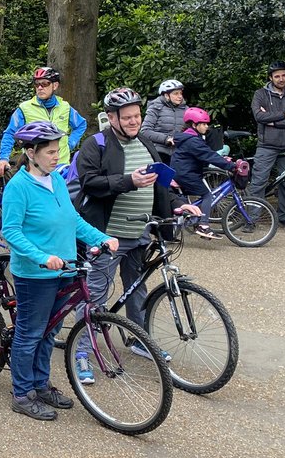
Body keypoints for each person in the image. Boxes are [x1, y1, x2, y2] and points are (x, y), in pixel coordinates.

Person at [73, 88, 201, 382]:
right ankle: (80, 352)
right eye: (128, 117)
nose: (134, 122)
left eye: (137, 116)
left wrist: (182, 205)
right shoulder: (97, 144)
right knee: (95, 296)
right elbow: (89, 182)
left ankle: (136, 339)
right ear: (112, 117)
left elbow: (162, 182)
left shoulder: (144, 141)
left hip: (140, 232)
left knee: (137, 289)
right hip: (108, 236)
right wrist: (129, 181)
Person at [0, 121, 115, 421]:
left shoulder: (58, 181)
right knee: (30, 332)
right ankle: (22, 393)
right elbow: (10, 232)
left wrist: (100, 237)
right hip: (35, 274)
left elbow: (73, 220)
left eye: (58, 150)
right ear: (30, 153)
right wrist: (42, 257)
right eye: (50, 152)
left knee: (49, 333)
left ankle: (40, 384)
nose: (56, 156)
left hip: (65, 269)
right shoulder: (18, 187)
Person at [0, 67, 87, 175]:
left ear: (55, 85)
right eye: (37, 84)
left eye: (45, 84)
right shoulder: (25, 108)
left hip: (60, 166)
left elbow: (81, 124)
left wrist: (70, 143)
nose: (40, 87)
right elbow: (10, 133)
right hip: (35, 167)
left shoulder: (65, 107)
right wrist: (3, 158)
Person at [249, 61, 285, 228]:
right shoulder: (260, 94)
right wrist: (284, 114)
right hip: (266, 145)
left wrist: (274, 122)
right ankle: (251, 218)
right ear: (270, 78)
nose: (281, 79)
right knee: (259, 181)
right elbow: (259, 116)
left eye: (284, 75)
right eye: (277, 76)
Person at [172, 107, 240, 239]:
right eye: (203, 124)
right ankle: (203, 226)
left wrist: (223, 160)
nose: (206, 127)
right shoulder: (193, 141)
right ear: (194, 125)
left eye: (207, 124)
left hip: (183, 172)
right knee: (206, 195)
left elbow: (205, 155)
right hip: (186, 174)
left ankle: (191, 218)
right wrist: (231, 166)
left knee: (190, 198)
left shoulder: (190, 138)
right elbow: (208, 155)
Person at [139, 79, 188, 163]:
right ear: (166, 95)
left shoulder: (186, 109)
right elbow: (145, 131)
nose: (180, 96)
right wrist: (166, 139)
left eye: (180, 93)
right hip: (159, 152)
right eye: (176, 93)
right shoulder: (155, 108)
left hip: (179, 152)